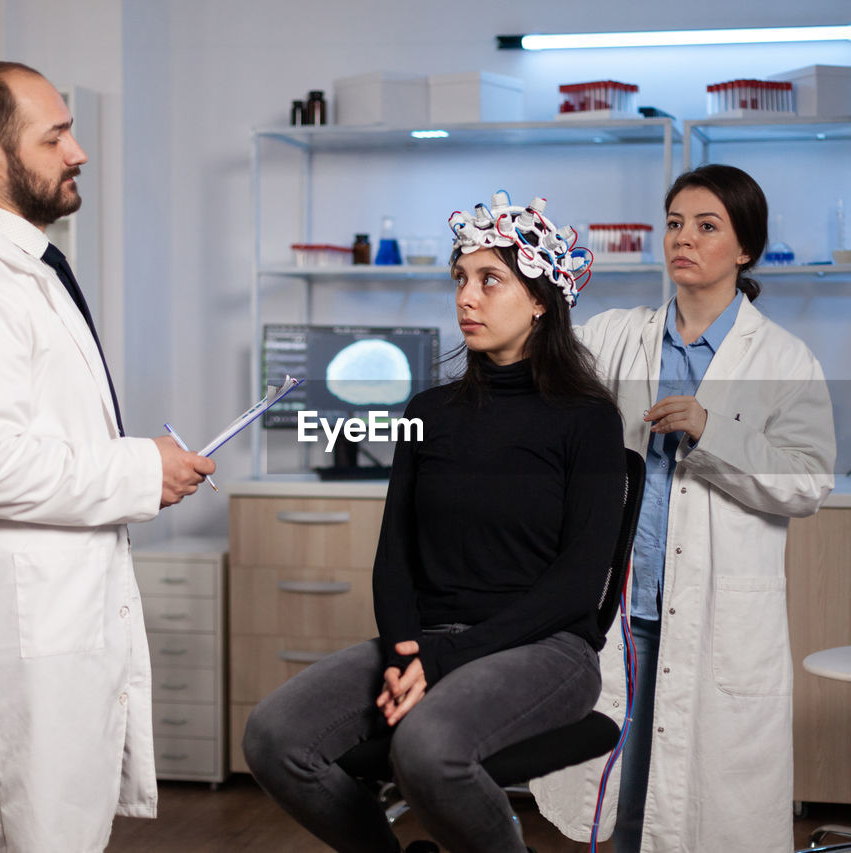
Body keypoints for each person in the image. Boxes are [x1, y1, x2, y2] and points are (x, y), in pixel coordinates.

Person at [0, 60, 215, 851]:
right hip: (7, 653)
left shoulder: (30, 273)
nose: (79, 152)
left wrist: (143, 467)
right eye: (56, 135)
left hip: (52, 639)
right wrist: (140, 469)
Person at [243, 192, 627, 853]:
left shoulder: (587, 420)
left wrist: (438, 657)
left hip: (546, 649)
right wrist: (404, 651)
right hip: (426, 641)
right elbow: (394, 556)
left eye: (489, 279)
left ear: (540, 299)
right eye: (460, 279)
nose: (466, 298)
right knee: (274, 736)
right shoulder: (429, 410)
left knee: (426, 747)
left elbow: (574, 589)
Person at [531, 164, 837, 852]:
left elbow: (809, 480)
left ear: (745, 248)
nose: (684, 238)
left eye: (707, 226)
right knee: (624, 802)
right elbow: (541, 377)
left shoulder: (785, 361)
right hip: (622, 618)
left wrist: (712, 430)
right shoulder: (614, 338)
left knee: (698, 815)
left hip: (716, 620)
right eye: (674, 223)